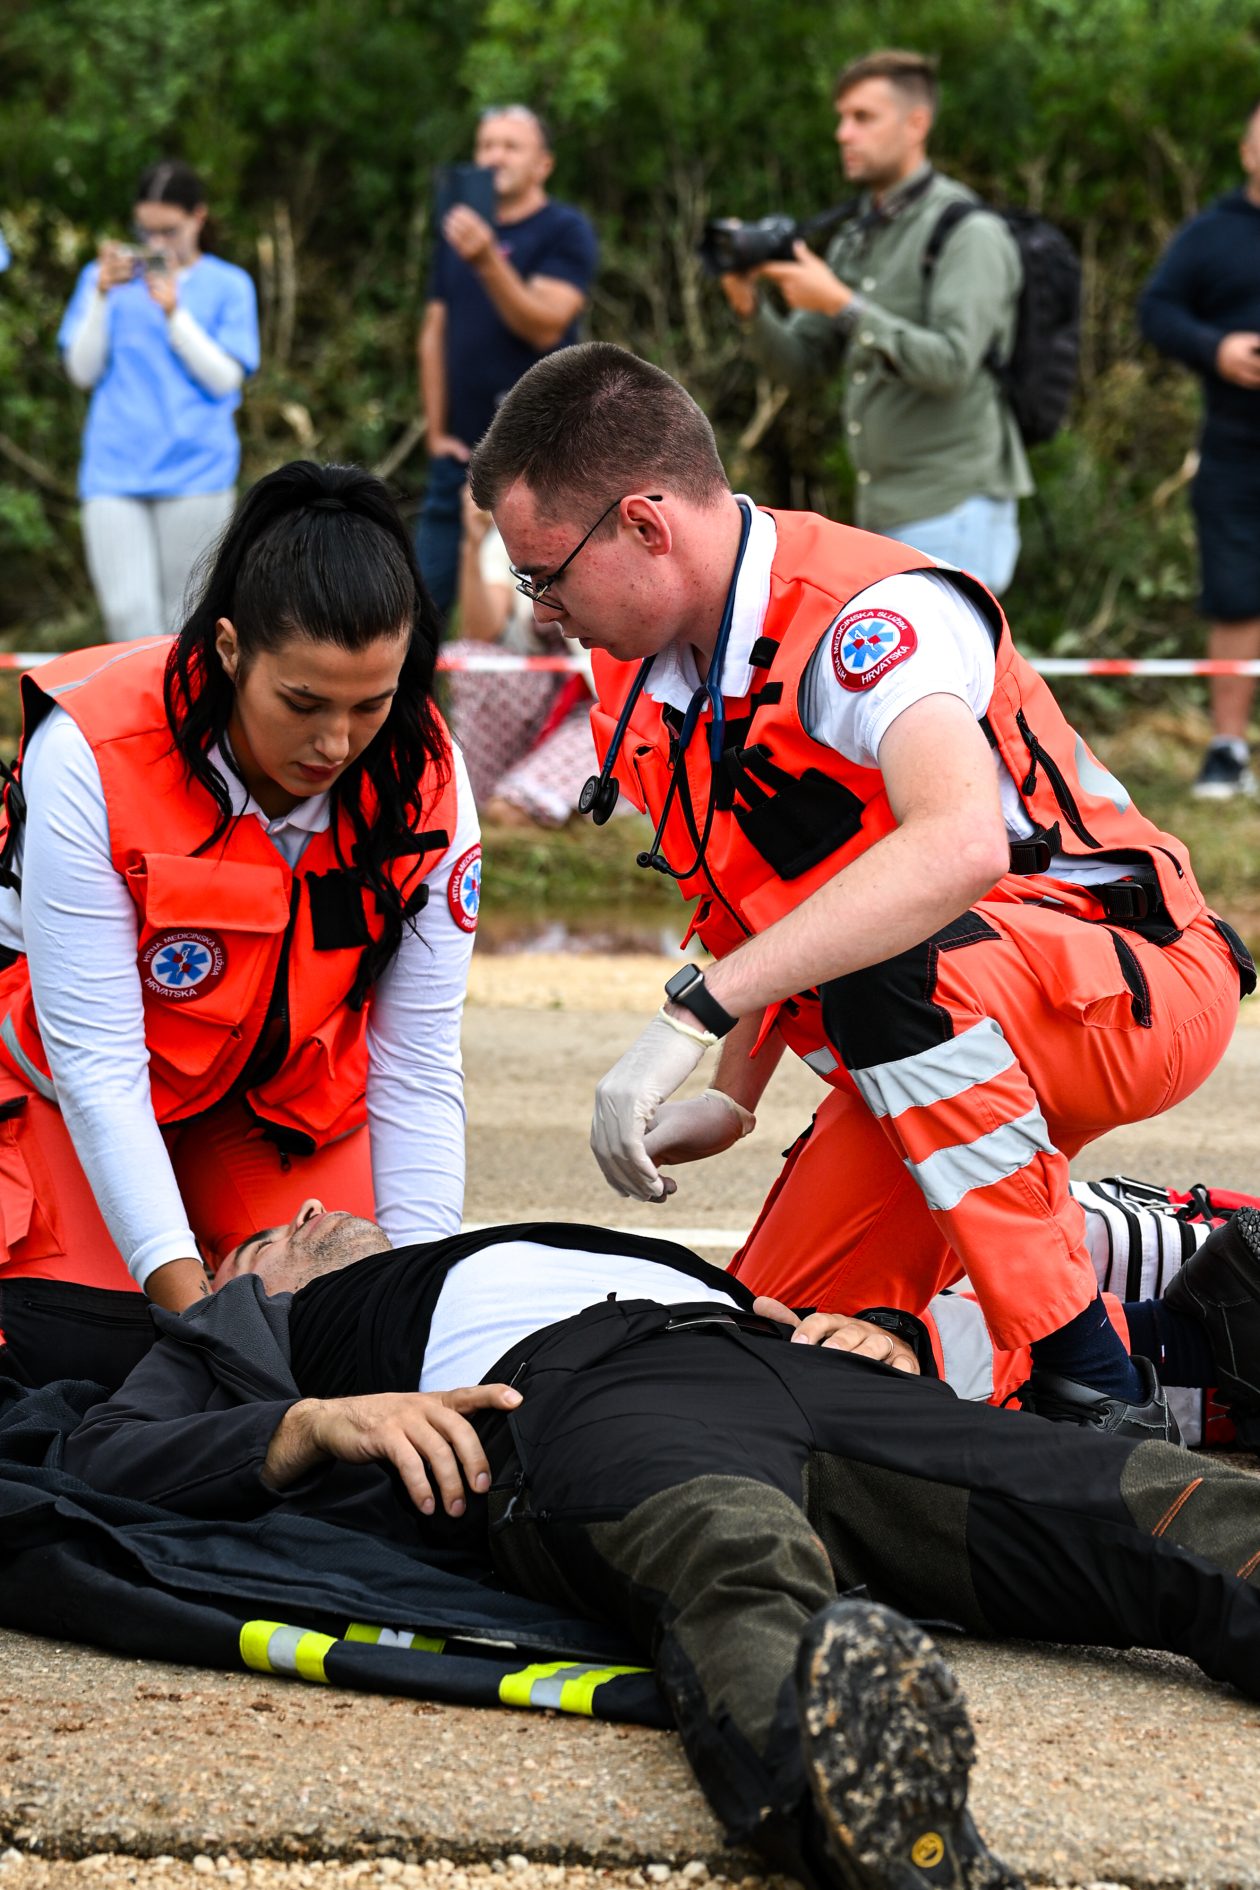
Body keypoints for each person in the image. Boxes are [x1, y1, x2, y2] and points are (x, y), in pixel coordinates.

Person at [468, 340, 1256, 1432]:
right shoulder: (639, 668)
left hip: (1125, 981)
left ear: (646, 525)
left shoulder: (864, 618)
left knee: (895, 968)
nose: (541, 610)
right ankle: (1158, 1292)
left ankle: (1092, 1379)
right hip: (936, 1034)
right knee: (764, 1360)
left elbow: (956, 850)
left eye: (544, 575)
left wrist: (695, 1014)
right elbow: (773, 898)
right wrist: (735, 1097)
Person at [62, 1198, 1260, 1890]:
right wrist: (314, 1422)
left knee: (1153, 1499)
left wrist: (882, 1332)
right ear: (236, 1288)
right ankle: (864, 1816)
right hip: (572, 1404)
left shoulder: (530, 1241)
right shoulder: (255, 1334)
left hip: (781, 1362)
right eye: (271, 1231)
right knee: (730, 1556)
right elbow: (106, 1461)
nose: (315, 1207)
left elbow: (873, 1312)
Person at [0, 460, 480, 1388]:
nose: (335, 744)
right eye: (302, 704)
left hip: (275, 1104)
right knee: (92, 1362)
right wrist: (205, 1330)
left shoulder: (429, 776)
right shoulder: (91, 755)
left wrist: (421, 1311)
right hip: (68, 1091)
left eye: (370, 705)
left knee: (353, 1332)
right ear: (228, 651)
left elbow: (418, 1064)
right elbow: (99, 1065)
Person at [721, 49, 1030, 596]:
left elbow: (953, 365)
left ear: (917, 124)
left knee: (945, 681)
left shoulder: (969, 232)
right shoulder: (856, 235)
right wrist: (750, 306)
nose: (843, 133)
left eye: (863, 117)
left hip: (953, 504)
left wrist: (841, 303)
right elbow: (802, 366)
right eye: (841, 118)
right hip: (882, 508)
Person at [58, 159, 260, 642]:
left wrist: (175, 314)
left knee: (185, 618)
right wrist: (101, 298)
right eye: (144, 230)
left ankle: (184, 718)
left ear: (198, 218)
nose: (155, 244)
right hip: (114, 473)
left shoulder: (229, 285)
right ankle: (142, 718)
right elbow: (81, 371)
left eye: (168, 230)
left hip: (196, 473)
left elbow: (225, 378)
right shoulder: (99, 280)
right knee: (128, 620)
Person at [415, 106, 598, 620]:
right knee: (417, 609)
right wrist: (435, 433)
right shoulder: (458, 231)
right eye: (486, 145)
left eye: (510, 146)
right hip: (457, 459)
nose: (494, 157)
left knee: (538, 609)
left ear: (544, 164)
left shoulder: (564, 230)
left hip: (542, 459)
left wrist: (488, 260)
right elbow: (434, 332)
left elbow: (544, 324)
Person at [1139, 100, 1260, 799]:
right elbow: (1156, 310)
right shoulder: (1210, 234)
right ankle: (1227, 752)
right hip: (1237, 446)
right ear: (1247, 153)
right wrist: (1216, 347)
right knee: (1236, 596)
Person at [446, 484, 599, 828]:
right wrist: (471, 542)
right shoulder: (508, 534)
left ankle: (538, 797)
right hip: (551, 695)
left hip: (606, 703)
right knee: (471, 658)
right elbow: (479, 632)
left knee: (506, 812)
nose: (543, 613)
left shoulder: (596, 522)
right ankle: (486, 793)